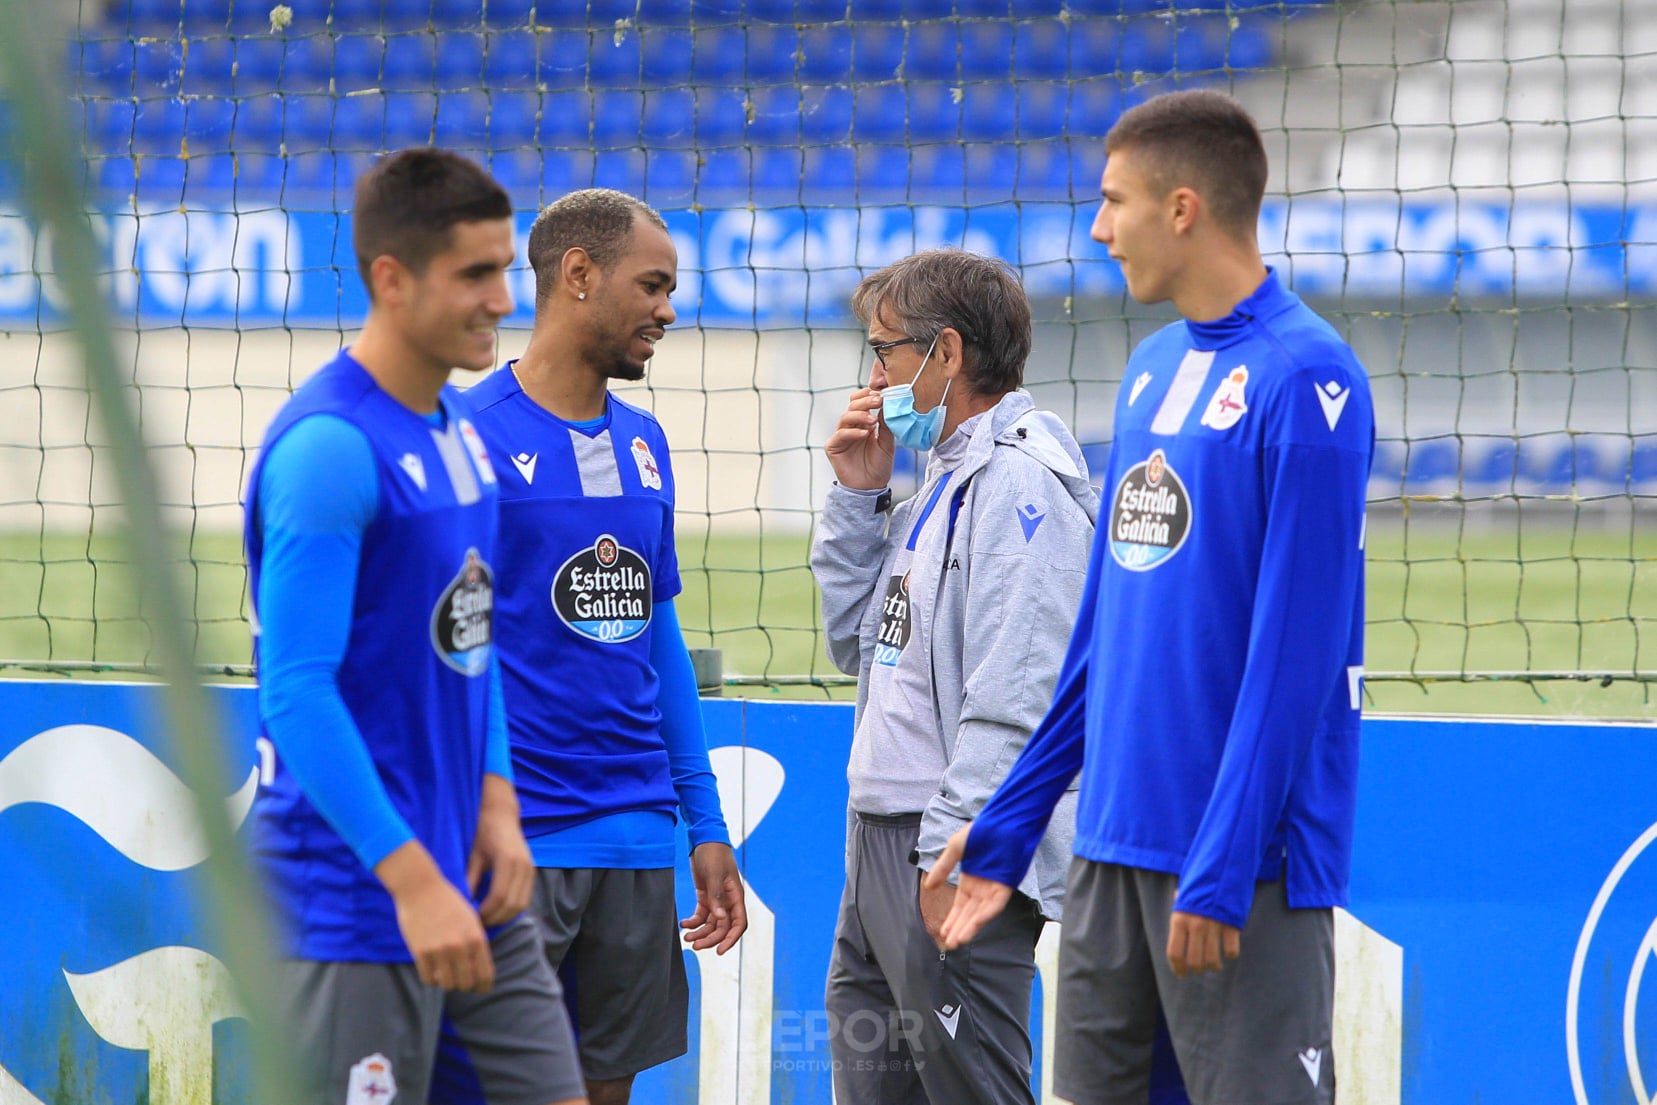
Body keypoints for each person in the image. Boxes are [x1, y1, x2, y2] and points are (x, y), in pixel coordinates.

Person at [928, 89, 1375, 1105]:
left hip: (1238, 864)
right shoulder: (1147, 369)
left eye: (1112, 199)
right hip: (1108, 851)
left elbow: (1293, 659)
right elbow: (1101, 640)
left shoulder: (1307, 378)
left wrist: (1220, 864)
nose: (1097, 226)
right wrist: (1010, 822)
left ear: (1182, 209)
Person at [244, 148, 586, 1105]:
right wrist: (409, 878)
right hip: (358, 894)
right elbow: (296, 690)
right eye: (475, 275)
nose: (503, 300)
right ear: (391, 280)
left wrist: (497, 801)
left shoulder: (460, 432)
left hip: (467, 876)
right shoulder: (328, 451)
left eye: (504, 269)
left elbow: (471, 644)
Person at [453, 188, 748, 1105]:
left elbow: (659, 650)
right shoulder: (467, 435)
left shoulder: (648, 443)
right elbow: (444, 660)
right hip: (514, 846)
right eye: (652, 285)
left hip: (633, 841)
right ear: (576, 274)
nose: (667, 309)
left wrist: (704, 824)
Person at [810, 248, 1097, 1105]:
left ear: (947, 354)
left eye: (885, 351)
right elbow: (854, 647)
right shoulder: (941, 477)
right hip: (877, 844)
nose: (874, 377)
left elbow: (1020, 695)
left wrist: (951, 847)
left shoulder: (1016, 485)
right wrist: (857, 501)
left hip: (945, 850)